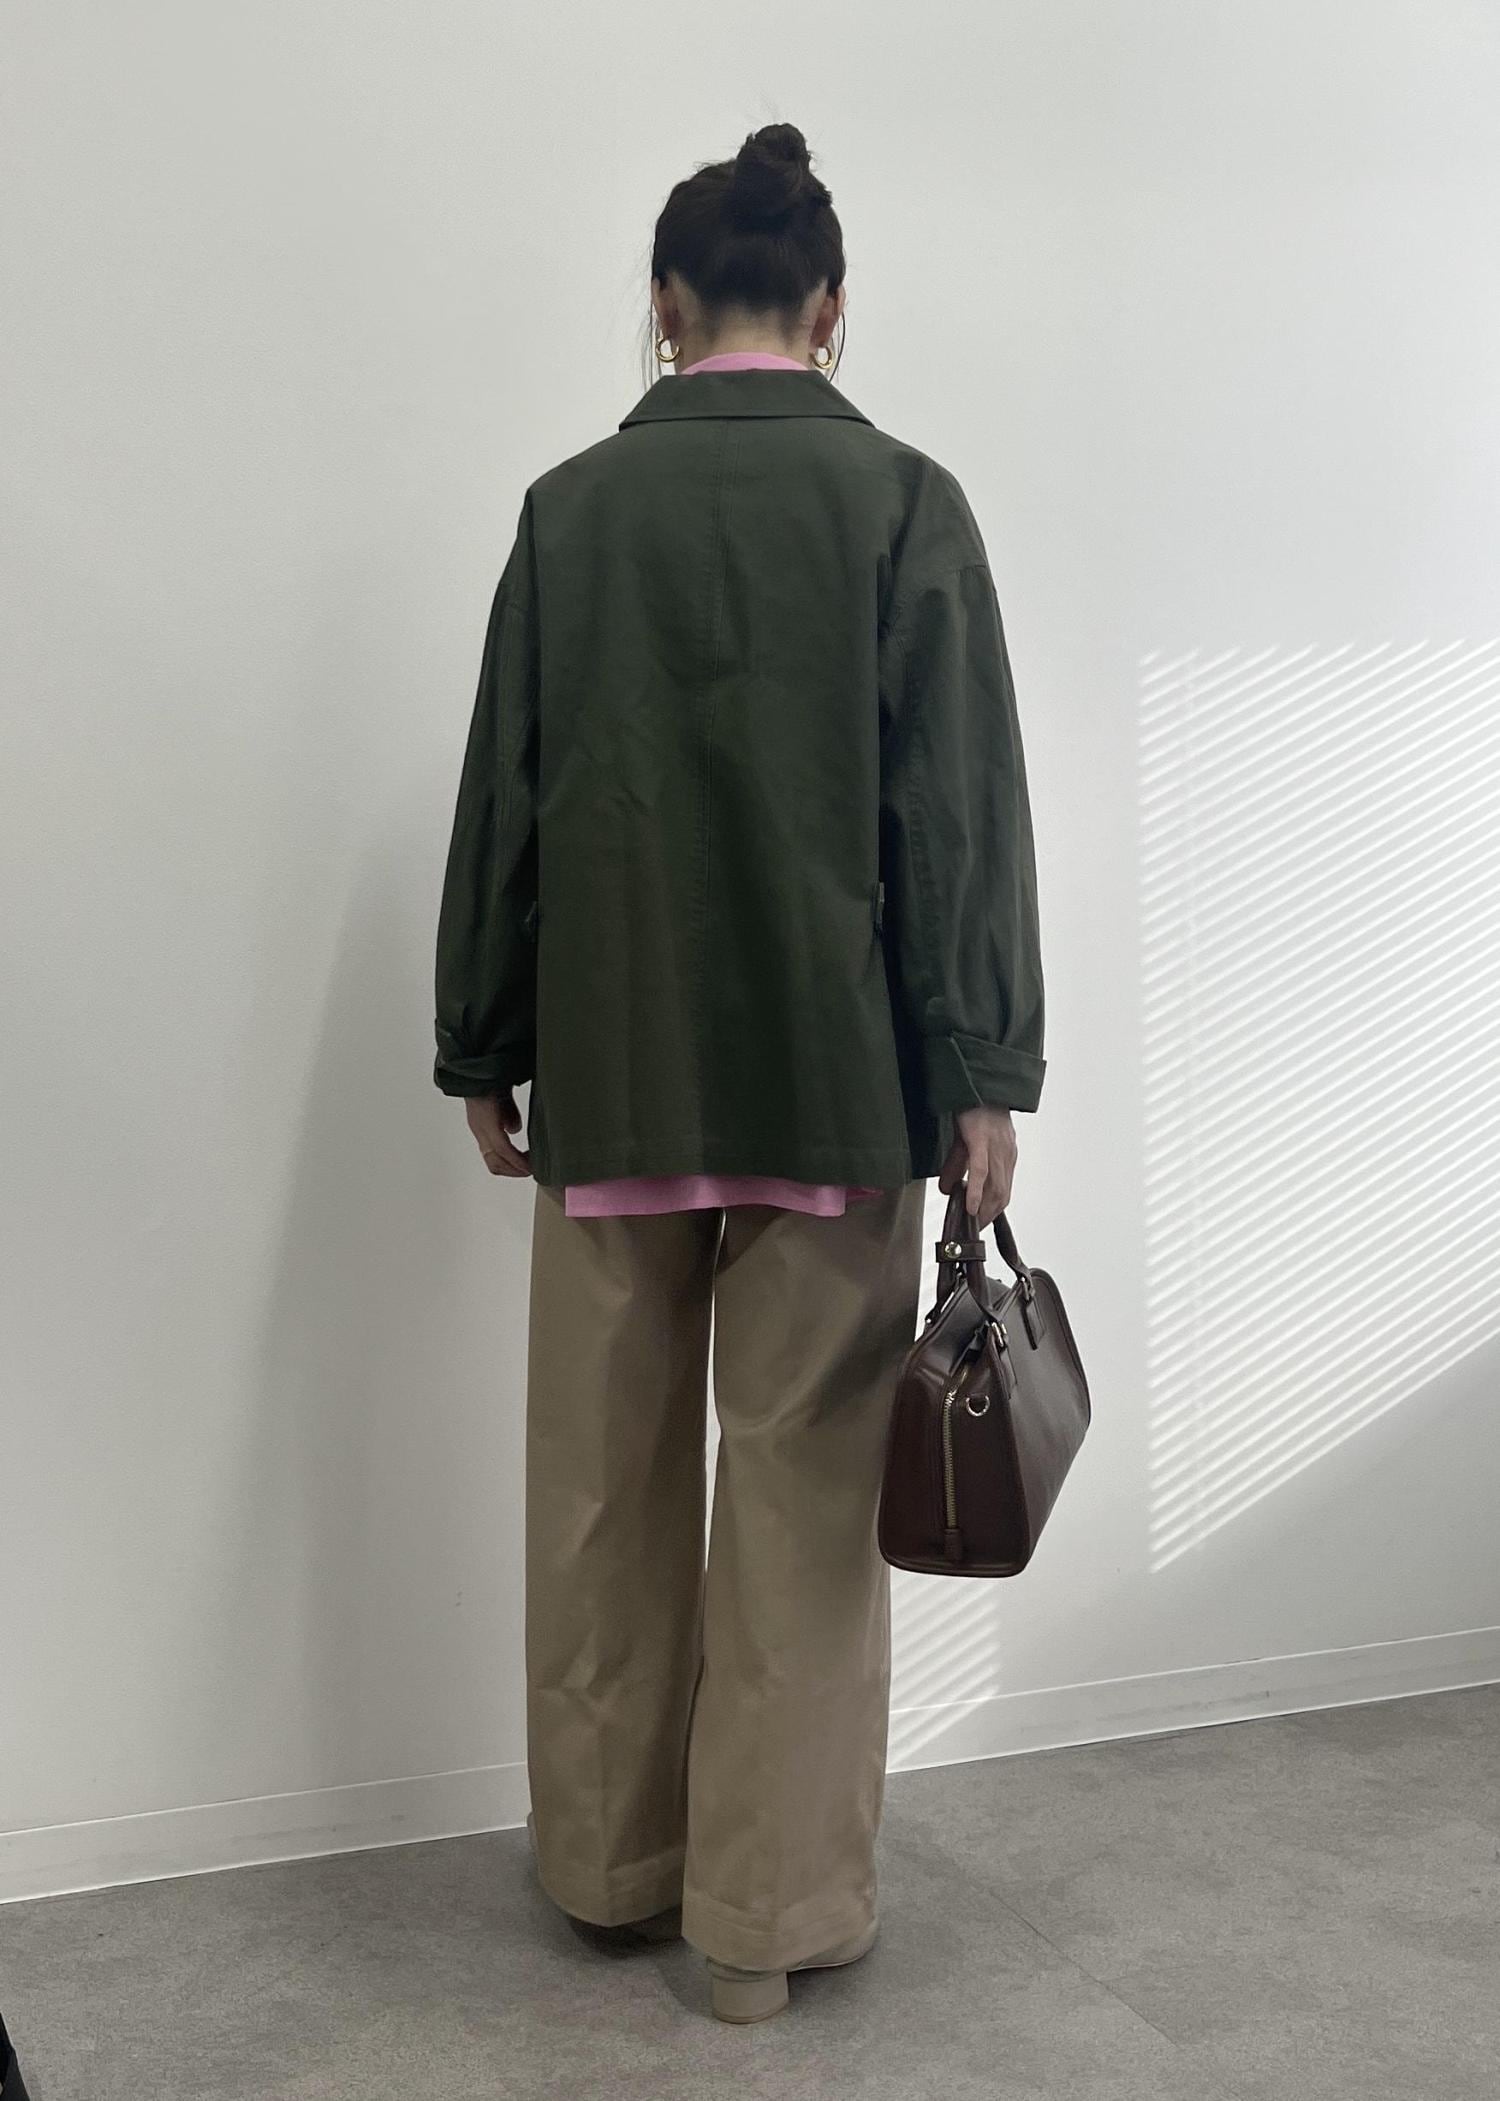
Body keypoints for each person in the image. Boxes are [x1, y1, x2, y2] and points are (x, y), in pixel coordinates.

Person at [432, 121, 1046, 2025]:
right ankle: (757, 1930)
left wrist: (484, 1036)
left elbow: (508, 797)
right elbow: (956, 817)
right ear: (833, 309)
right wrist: (980, 1071)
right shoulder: (906, 506)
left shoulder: (570, 512)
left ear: (666, 306)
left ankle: (611, 1869)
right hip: (829, 1088)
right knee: (800, 1506)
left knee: (599, 1488)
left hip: (617, 1073)